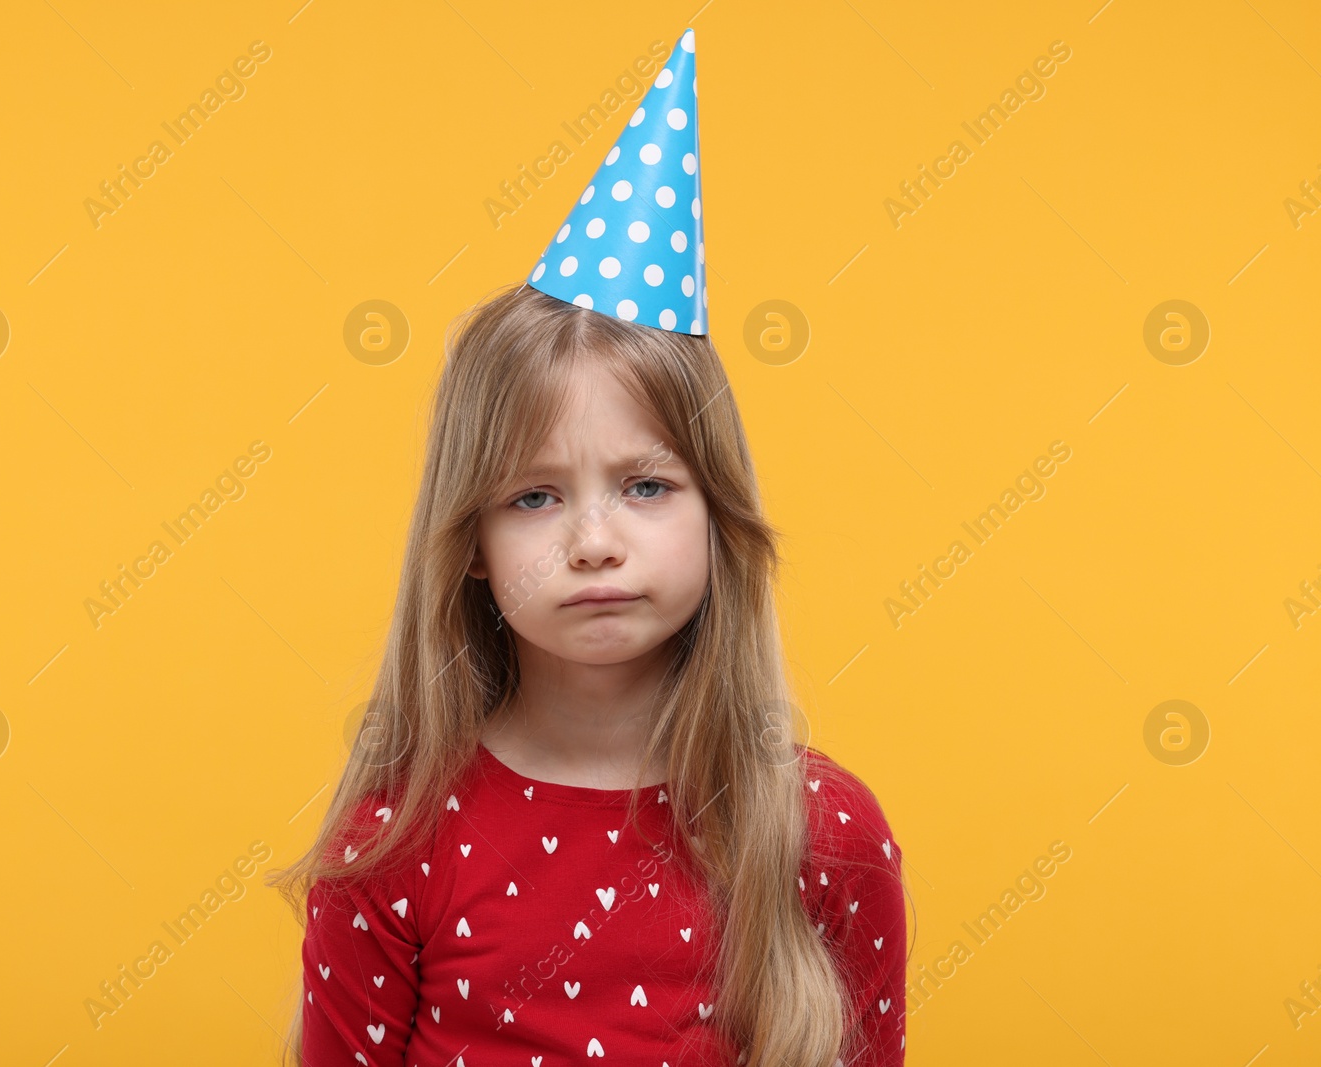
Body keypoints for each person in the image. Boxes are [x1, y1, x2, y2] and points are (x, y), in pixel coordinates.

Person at [270, 27, 908, 1067]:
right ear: (468, 540)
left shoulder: (823, 828)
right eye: (532, 496)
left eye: (647, 485)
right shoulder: (394, 837)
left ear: (720, 516)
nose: (593, 541)